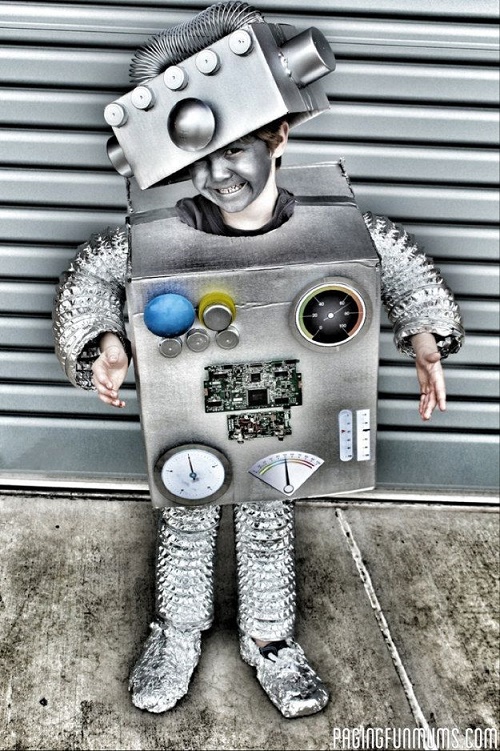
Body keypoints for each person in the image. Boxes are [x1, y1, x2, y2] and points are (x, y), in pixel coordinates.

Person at [53, 2, 464, 719]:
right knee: (187, 516)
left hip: (280, 411)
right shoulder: (160, 232)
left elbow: (396, 266)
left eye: (238, 148)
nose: (219, 173)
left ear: (278, 136)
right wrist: (104, 342)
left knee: (268, 519)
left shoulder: (333, 226)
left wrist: (424, 339)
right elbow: (94, 275)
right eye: (201, 159)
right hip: (195, 410)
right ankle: (177, 633)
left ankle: (271, 641)